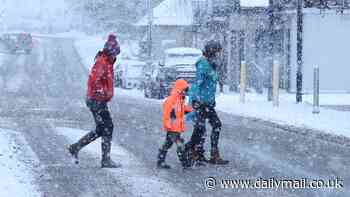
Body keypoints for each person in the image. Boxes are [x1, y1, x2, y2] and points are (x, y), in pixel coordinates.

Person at [68, 34, 121, 168]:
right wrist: (102, 93)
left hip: (97, 100)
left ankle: (76, 147)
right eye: (116, 54)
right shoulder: (102, 62)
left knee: (101, 128)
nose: (116, 57)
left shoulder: (107, 62)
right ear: (111, 52)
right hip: (96, 101)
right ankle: (105, 159)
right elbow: (93, 80)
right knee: (107, 127)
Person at [185, 40, 229, 166]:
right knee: (202, 129)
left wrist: (212, 100)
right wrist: (195, 101)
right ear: (212, 51)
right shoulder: (203, 64)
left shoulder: (211, 64)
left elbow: (210, 84)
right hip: (200, 103)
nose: (219, 55)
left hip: (208, 103)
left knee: (212, 126)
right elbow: (197, 84)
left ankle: (204, 153)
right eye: (218, 52)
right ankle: (192, 151)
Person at [157, 79, 193, 169]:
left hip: (176, 128)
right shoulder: (172, 99)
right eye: (185, 90)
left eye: (186, 91)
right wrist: (167, 124)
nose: (185, 93)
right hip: (173, 128)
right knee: (179, 145)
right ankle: (185, 162)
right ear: (179, 89)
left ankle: (161, 160)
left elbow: (181, 110)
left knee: (168, 144)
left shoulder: (180, 99)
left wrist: (190, 109)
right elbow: (167, 113)